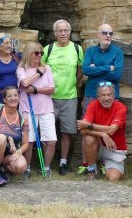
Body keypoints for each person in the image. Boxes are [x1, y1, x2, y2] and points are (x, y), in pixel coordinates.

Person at [44, 20, 84, 175]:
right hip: (49, 98)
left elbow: (80, 71)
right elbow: (41, 69)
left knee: (67, 131)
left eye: (66, 30)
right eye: (59, 31)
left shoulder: (77, 48)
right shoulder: (48, 49)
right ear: (55, 33)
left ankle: (63, 162)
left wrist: (73, 84)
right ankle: (45, 163)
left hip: (70, 96)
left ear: (70, 32)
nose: (63, 33)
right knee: (47, 131)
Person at [17, 41, 58, 173]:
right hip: (27, 108)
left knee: (51, 140)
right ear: (29, 53)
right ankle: (27, 168)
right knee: (29, 141)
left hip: (46, 108)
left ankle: (46, 168)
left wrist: (35, 89)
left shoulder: (47, 68)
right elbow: (24, 83)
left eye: (41, 53)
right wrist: (38, 73)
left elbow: (52, 89)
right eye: (36, 52)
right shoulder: (21, 69)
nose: (39, 55)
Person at [78, 81, 129, 181]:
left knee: (113, 178)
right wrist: (102, 134)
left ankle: (105, 166)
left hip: (114, 149)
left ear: (114, 96)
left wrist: (90, 125)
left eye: (109, 95)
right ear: (98, 97)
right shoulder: (93, 105)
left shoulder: (121, 107)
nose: (106, 98)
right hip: (99, 145)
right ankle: (92, 171)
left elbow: (111, 130)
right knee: (89, 138)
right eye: (103, 95)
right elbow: (82, 130)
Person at [0, 86, 33, 186]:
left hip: (9, 153)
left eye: (15, 95)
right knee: (1, 138)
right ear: (4, 99)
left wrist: (18, 152)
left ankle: (2, 168)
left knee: (21, 166)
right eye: (9, 96)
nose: (13, 98)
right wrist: (8, 137)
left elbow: (26, 143)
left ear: (19, 98)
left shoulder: (23, 118)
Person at [80, 23, 123, 126]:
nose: (108, 36)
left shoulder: (118, 52)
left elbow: (117, 74)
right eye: (105, 33)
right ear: (98, 35)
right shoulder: (90, 51)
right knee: (88, 127)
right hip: (91, 94)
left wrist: (95, 70)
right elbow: (85, 70)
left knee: (110, 127)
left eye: (110, 33)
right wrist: (108, 68)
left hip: (111, 95)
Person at [0, 33, 20, 113]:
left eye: (10, 43)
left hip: (14, 97)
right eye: (6, 43)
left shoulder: (17, 57)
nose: (9, 45)